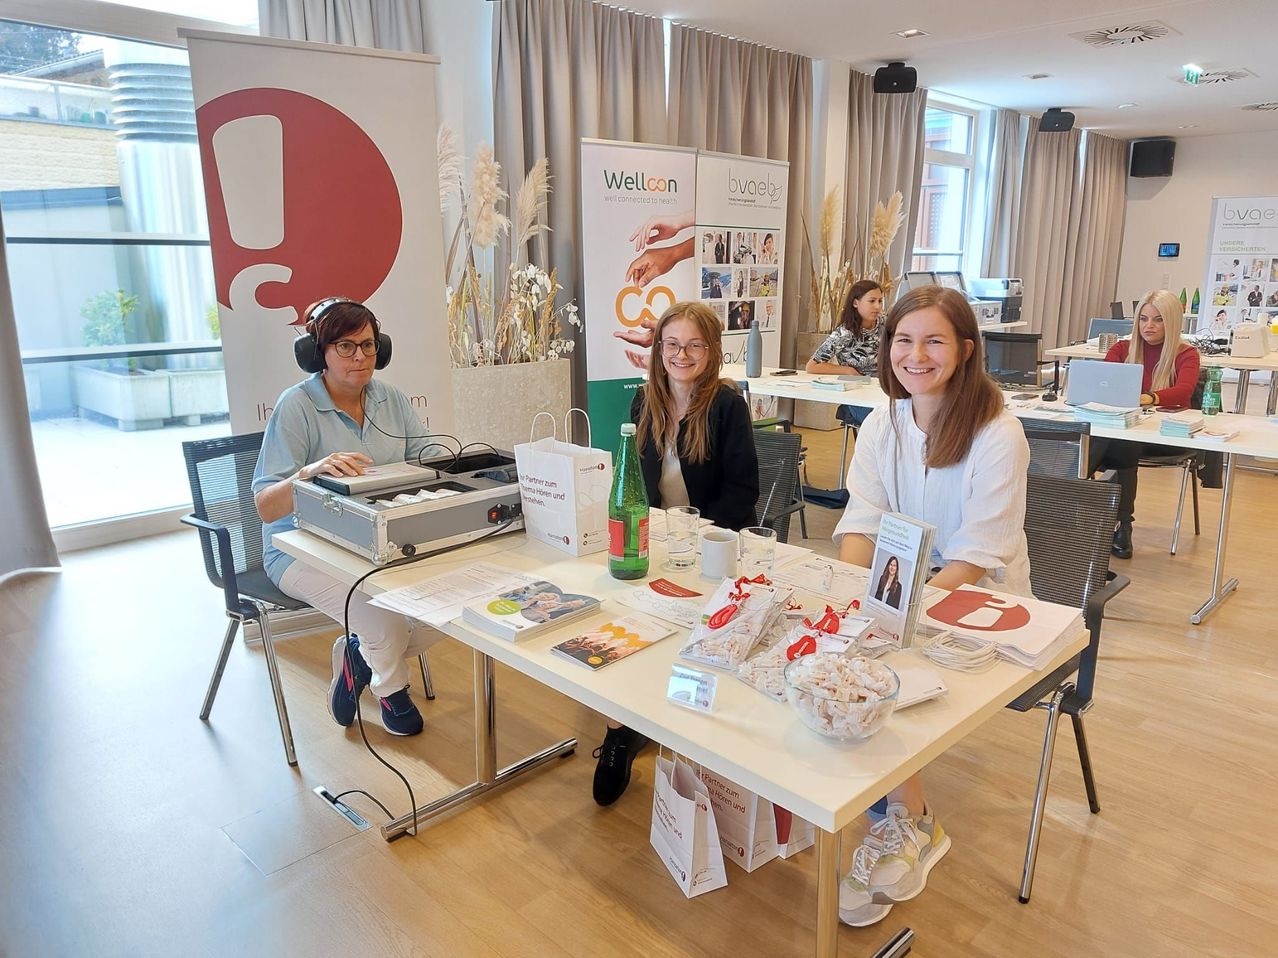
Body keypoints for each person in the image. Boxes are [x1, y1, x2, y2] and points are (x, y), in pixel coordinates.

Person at [833, 285, 1031, 927]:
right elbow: (861, 525)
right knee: (841, 656)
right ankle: (893, 809)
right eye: (902, 339)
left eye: (934, 340)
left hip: (980, 605)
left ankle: (910, 824)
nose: (915, 355)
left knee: (877, 673)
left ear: (966, 350)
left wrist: (889, 617)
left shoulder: (998, 432)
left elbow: (975, 557)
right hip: (900, 592)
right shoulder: (881, 423)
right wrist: (852, 602)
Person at [593, 301, 760, 807]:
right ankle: (622, 727)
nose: (681, 354)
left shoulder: (728, 406)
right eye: (671, 344)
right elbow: (636, 483)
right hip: (656, 539)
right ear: (658, 350)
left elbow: (742, 492)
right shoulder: (645, 402)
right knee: (618, 617)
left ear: (711, 351)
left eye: (693, 345)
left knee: (685, 627)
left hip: (710, 542)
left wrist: (693, 537)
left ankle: (690, 733)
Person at [253, 298, 446, 736]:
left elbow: (430, 454)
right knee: (384, 620)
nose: (360, 357)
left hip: (379, 544)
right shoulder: (295, 406)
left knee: (450, 606)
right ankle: (392, 692)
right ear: (316, 352)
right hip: (299, 551)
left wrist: (465, 462)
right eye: (345, 346)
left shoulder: (390, 398)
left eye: (368, 345)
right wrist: (309, 473)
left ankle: (358, 655)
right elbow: (266, 507)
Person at [1090, 290, 1201, 559]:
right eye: (1143, 319)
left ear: (1172, 322)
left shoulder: (1187, 354)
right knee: (1097, 440)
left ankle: (1108, 522)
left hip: (1163, 435)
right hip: (1122, 430)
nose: (1148, 326)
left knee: (1109, 445)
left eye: (1158, 320)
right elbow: (1104, 384)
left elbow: (1183, 392)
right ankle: (1118, 524)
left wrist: (1150, 397)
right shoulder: (1121, 349)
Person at [806, 279, 885, 431]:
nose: (877, 306)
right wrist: (846, 371)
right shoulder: (845, 332)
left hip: (884, 391)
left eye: (880, 301)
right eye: (872, 301)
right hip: (859, 395)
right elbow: (812, 366)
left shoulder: (886, 324)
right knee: (883, 424)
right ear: (856, 303)